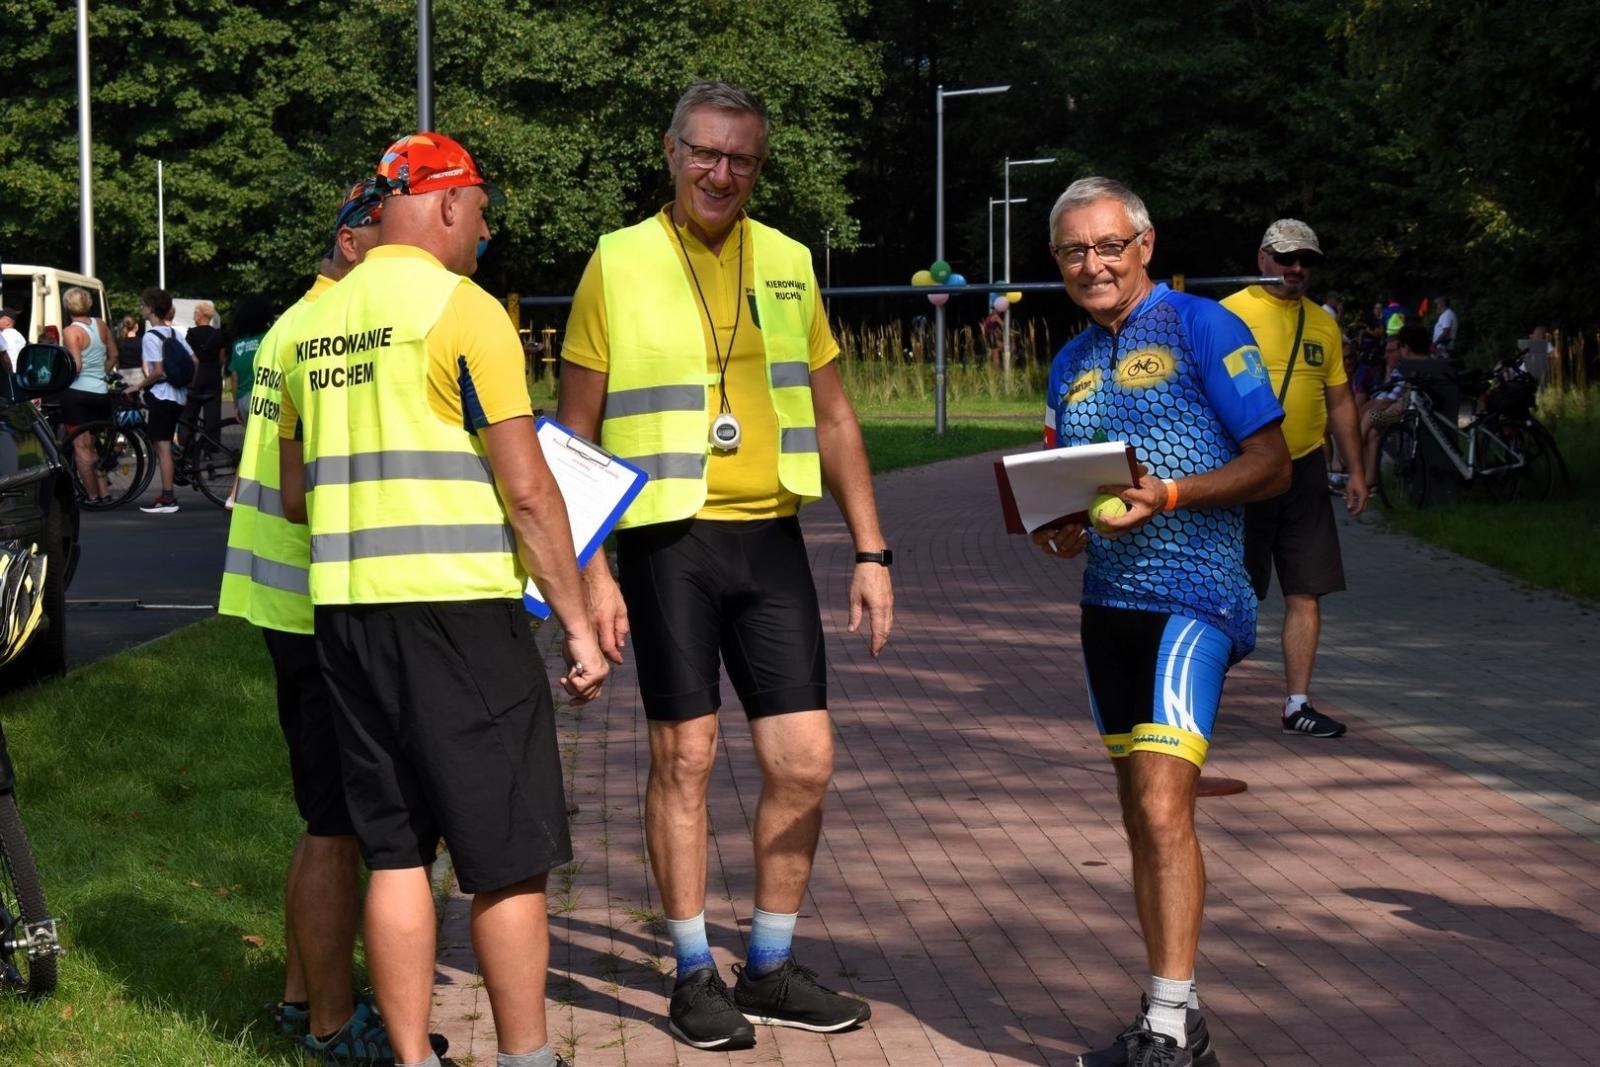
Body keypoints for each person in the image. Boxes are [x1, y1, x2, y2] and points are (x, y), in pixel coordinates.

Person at [556, 81, 890, 1053]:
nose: (721, 173)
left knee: (806, 759)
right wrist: (588, 576)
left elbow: (832, 416)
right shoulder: (615, 261)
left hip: (770, 535)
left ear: (759, 164)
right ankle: (694, 970)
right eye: (705, 153)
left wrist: (871, 549)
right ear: (670, 152)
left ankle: (772, 965)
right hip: (666, 539)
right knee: (685, 758)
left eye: (741, 159)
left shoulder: (786, 261)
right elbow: (572, 435)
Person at [277, 131, 604, 1067]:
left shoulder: (311, 326)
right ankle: (527, 1055)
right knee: (506, 852)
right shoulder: (463, 311)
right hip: (457, 615)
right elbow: (530, 487)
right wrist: (577, 620)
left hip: (345, 614)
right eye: (484, 212)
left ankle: (413, 1060)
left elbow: (298, 496)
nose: (486, 231)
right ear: (450, 202)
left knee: (392, 850)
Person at [1032, 177, 1289, 1067]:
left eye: (1108, 246)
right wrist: (1060, 530)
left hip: (1197, 597)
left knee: (1159, 799)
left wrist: (1174, 493)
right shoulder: (1068, 363)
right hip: (1107, 609)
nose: (1092, 264)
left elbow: (1273, 464)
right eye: (1074, 251)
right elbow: (1077, 488)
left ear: (1144, 244)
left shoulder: (1202, 326)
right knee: (1141, 819)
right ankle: (1172, 1016)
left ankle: (1171, 1030)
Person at [219, 178, 448, 1064]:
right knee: (337, 822)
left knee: (329, 810)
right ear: (354, 242)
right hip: (312, 598)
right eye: (390, 236)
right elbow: (309, 483)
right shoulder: (325, 326)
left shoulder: (295, 324)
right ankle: (327, 1022)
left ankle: (298, 996)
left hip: (292, 593)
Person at [1221, 220, 1368, 740]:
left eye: (1306, 261)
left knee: (1307, 589)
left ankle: (1297, 703)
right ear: (1262, 258)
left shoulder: (1323, 324)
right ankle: (1198, 694)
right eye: (1287, 259)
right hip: (1245, 467)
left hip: (1305, 468)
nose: (1297, 269)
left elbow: (1341, 400)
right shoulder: (1229, 314)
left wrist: (1355, 469)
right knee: (1233, 589)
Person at [60, 287, 118, 503]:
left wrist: (61, 378)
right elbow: (114, 355)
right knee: (92, 445)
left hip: (78, 394)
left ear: (68, 306)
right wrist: (101, 373)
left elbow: (76, 364)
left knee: (80, 447)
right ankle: (105, 491)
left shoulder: (70, 331)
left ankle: (92, 495)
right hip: (100, 393)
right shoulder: (100, 325)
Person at [137, 287, 191, 514]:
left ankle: (168, 498)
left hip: (161, 395)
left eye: (142, 304)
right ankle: (169, 490)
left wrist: (137, 385)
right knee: (168, 441)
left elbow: (157, 371)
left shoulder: (150, 336)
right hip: (179, 395)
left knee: (163, 446)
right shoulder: (175, 333)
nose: (140, 308)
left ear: (150, 308)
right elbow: (194, 360)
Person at [182, 300, 227, 443]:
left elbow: (187, 356)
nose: (194, 316)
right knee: (213, 415)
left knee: (190, 413)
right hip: (213, 375)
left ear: (201, 315)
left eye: (195, 313)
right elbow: (222, 358)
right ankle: (211, 447)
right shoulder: (218, 334)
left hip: (196, 377)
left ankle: (188, 447)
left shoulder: (192, 334)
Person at [229, 297, 272, 425]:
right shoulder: (268, 337)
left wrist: (236, 405)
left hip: (243, 399)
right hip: (264, 396)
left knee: (249, 439)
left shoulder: (238, 343)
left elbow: (234, 376)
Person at [114, 314, 145, 390]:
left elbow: (116, 364)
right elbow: (145, 364)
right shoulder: (142, 342)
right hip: (139, 376)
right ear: (136, 326)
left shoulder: (118, 343)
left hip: (123, 375)